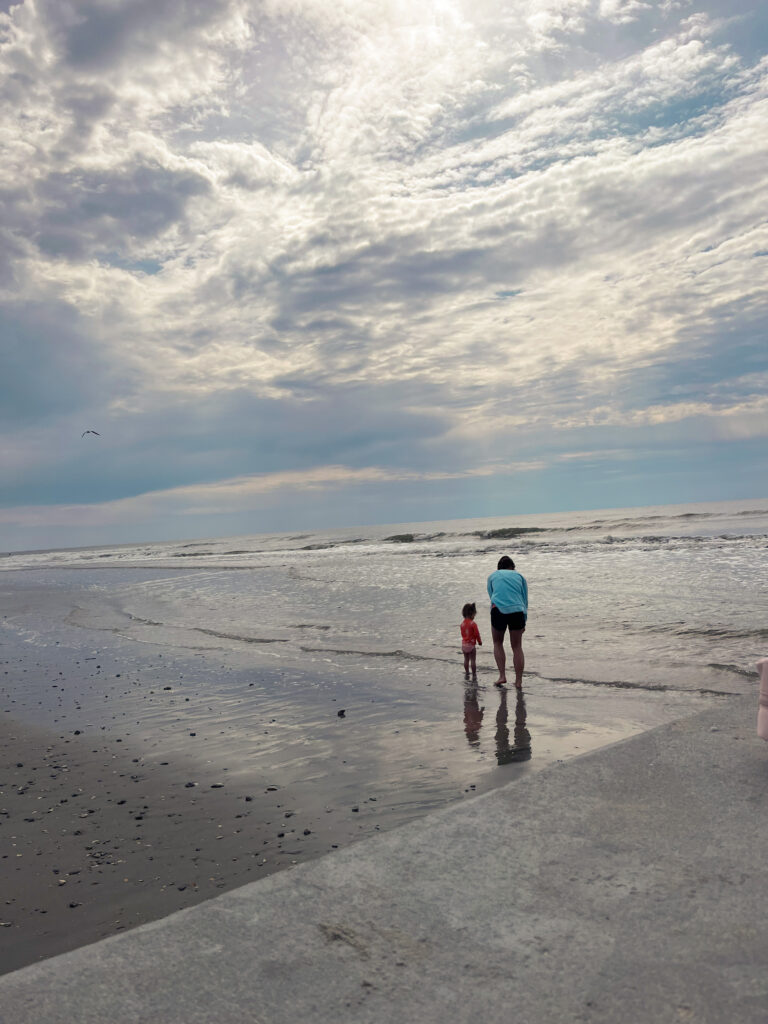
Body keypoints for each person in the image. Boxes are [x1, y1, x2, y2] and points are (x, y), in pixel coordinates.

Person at [487, 555, 527, 689]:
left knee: (497, 643)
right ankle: (519, 681)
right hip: (517, 610)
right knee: (517, 647)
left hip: (498, 609)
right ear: (512, 567)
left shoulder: (492, 576)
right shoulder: (520, 576)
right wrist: (524, 620)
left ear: (499, 568)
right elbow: (524, 599)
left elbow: (491, 595)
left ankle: (502, 676)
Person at [460, 602, 482, 679]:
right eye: (474, 615)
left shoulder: (462, 624)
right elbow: (477, 634)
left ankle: (467, 672)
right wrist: (479, 642)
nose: (474, 617)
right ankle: (474, 674)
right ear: (472, 614)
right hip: (471, 646)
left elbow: (463, 634)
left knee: (466, 660)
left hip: (464, 645)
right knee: (473, 660)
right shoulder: (473, 624)